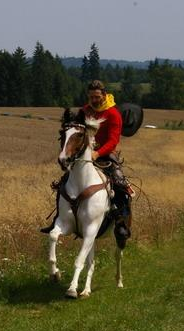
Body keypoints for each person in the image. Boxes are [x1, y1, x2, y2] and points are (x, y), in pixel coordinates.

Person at [42, 80, 132, 240]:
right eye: (91, 97)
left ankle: (121, 223)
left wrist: (97, 153)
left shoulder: (113, 114)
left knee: (120, 184)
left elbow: (113, 141)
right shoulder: (85, 111)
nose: (94, 100)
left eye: (97, 96)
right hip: (84, 154)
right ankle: (59, 217)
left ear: (104, 95)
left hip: (106, 155)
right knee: (64, 182)